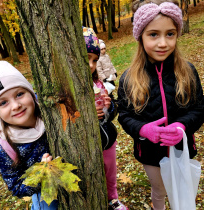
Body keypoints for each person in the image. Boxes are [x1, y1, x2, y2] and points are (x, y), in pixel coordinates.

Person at [116, 1, 204, 210]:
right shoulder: (129, 78)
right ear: (141, 36)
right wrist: (142, 129)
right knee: (159, 190)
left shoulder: (188, 71)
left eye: (170, 34)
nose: (163, 43)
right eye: (154, 34)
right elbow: (125, 115)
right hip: (150, 154)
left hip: (181, 150)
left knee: (182, 189)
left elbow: (199, 108)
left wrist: (182, 126)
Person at [0, 61, 58, 210]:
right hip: (47, 199)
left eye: (19, 94)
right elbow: (16, 188)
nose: (15, 106)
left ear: (31, 93)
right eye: (3, 103)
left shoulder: (51, 112)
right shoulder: (4, 149)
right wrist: (40, 175)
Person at [82, 27, 128, 210]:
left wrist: (109, 107)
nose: (92, 65)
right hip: (89, 144)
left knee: (110, 172)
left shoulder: (98, 83)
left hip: (107, 140)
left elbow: (112, 110)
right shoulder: (70, 89)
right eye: (87, 58)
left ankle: (113, 198)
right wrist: (88, 112)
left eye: (94, 60)